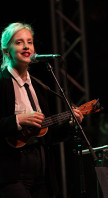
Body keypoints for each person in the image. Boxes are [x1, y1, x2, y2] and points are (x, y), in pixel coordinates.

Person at [0, 22, 84, 198]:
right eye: (19, 42)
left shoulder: (39, 87)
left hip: (42, 171)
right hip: (11, 172)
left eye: (29, 42)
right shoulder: (2, 83)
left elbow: (49, 135)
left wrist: (70, 124)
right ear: (6, 51)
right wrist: (18, 121)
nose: (26, 47)